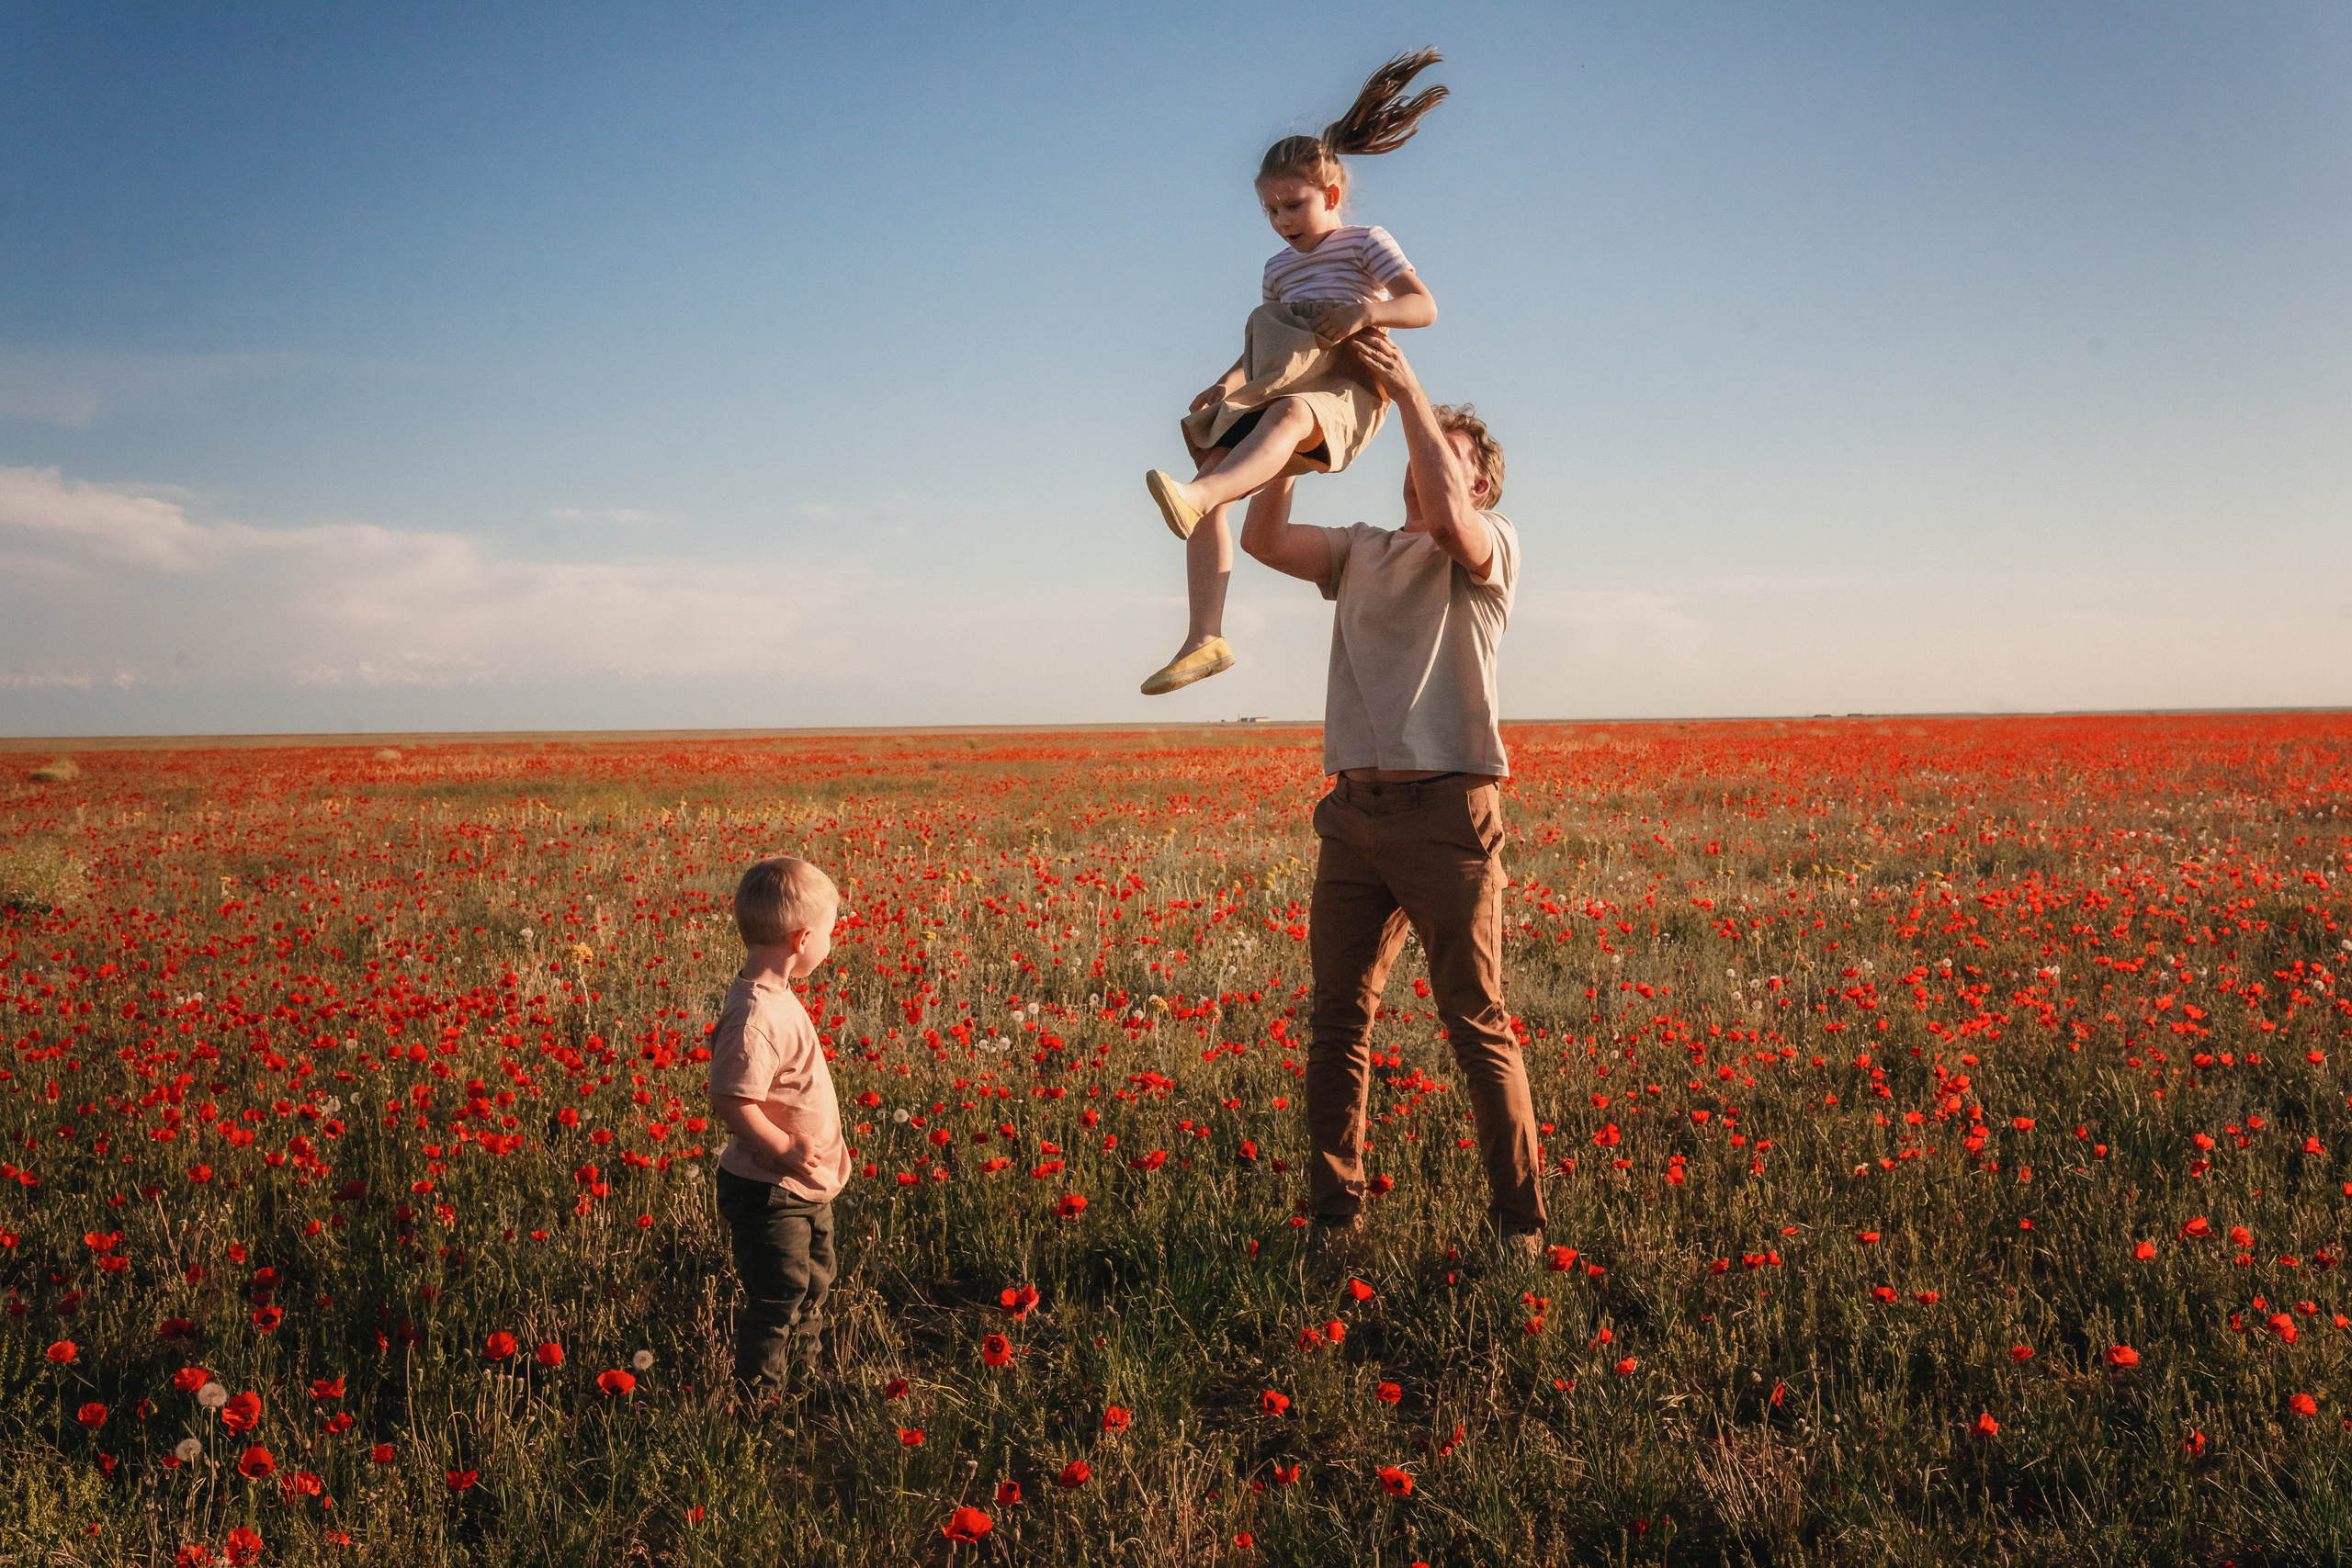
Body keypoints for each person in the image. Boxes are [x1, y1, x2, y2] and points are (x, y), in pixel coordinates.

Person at [1238, 330, 1544, 1263]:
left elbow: (1449, 521)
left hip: (1448, 814)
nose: (1418, 463)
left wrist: (1407, 387)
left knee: (1473, 1021)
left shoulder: (1486, 547)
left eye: (1443, 454)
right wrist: (1297, 446)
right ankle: (1335, 1220)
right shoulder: (1360, 550)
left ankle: (1519, 1228)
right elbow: (1261, 539)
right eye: (1414, 453)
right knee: (1337, 1017)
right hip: (1353, 816)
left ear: (1479, 483)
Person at [1138, 49, 1450, 696]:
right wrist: (1228, 382)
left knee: (1273, 429)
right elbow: (1268, 339)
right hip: (1281, 378)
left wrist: (1368, 309)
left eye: (1293, 206)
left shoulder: (1365, 242)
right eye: (1270, 212)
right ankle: (1204, 637)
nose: (1282, 223)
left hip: (1348, 385)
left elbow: (1423, 306)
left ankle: (1201, 497)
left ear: (1331, 196)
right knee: (1213, 468)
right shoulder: (1278, 269)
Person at [707, 854, 852, 1398]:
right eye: (829, 934)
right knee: (779, 1297)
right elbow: (729, 1096)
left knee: (812, 1286)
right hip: (771, 1189)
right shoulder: (755, 1017)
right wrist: (782, 1146)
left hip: (801, 1184)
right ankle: (759, 1402)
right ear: (802, 939)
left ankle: (802, 1384)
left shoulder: (774, 995)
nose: (830, 944)